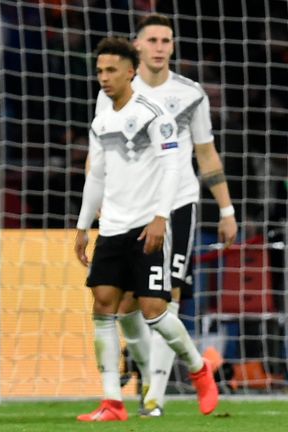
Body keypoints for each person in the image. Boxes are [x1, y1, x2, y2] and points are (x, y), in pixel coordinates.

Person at [94, 14, 238, 417]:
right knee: (122, 305)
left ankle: (154, 398)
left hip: (177, 204)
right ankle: (145, 376)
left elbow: (206, 154)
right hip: (129, 208)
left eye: (167, 40)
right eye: (152, 39)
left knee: (164, 296)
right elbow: (100, 153)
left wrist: (226, 208)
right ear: (137, 47)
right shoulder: (115, 87)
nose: (160, 46)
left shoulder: (190, 94)